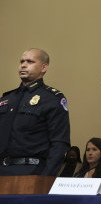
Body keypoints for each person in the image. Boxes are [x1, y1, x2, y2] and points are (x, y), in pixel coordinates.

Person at [0, 48, 70, 176]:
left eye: (30, 61)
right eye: (22, 61)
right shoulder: (7, 99)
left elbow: (59, 143)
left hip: (30, 172)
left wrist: (45, 178)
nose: (23, 65)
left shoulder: (52, 98)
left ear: (44, 67)